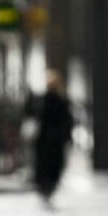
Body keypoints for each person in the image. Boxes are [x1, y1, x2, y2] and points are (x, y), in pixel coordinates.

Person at [31, 70, 75, 208]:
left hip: (51, 141)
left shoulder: (55, 101)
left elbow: (67, 121)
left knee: (50, 168)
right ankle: (46, 191)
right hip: (48, 141)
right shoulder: (46, 101)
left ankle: (47, 191)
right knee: (49, 168)